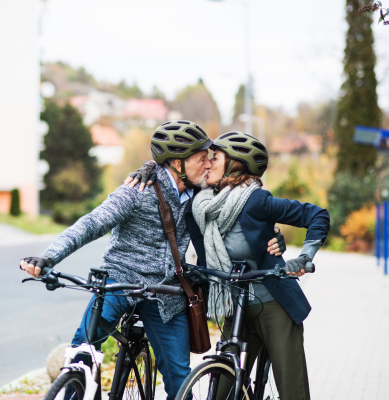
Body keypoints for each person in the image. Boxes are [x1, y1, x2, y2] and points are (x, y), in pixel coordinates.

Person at [20, 121, 284, 400]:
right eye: (201, 157)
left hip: (167, 294)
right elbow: (92, 223)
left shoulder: (202, 195)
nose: (208, 164)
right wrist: (49, 256)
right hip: (121, 281)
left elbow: (245, 216)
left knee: (180, 382)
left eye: (209, 157)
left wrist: (275, 238)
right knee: (83, 348)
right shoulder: (137, 189)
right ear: (177, 163)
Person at [191, 131, 330, 400]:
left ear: (235, 165)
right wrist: (149, 170)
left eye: (215, 158)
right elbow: (172, 184)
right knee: (220, 390)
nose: (207, 163)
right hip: (236, 306)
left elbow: (316, 215)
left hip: (273, 304)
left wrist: (304, 257)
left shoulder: (256, 200)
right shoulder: (202, 203)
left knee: (292, 392)